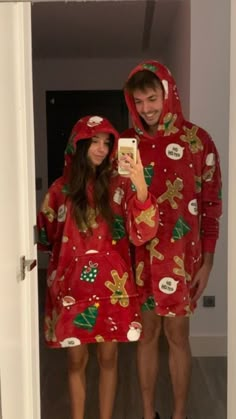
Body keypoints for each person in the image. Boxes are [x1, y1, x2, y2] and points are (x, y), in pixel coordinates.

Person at [37, 115, 159, 419]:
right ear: (79, 144)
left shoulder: (120, 186)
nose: (102, 149)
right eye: (95, 141)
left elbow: (143, 231)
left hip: (113, 292)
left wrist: (140, 183)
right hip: (72, 291)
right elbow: (44, 236)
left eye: (108, 143)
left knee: (109, 360)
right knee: (75, 362)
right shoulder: (59, 190)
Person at [121, 60, 222, 419]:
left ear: (168, 94)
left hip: (183, 261)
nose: (146, 109)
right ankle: (149, 414)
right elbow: (119, 208)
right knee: (146, 336)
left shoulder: (198, 141)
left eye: (153, 98)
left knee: (178, 338)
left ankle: (179, 415)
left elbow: (212, 204)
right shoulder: (127, 145)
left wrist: (208, 261)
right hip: (141, 261)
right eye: (139, 101)